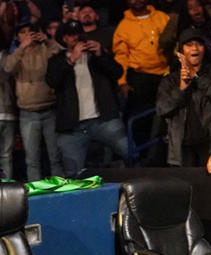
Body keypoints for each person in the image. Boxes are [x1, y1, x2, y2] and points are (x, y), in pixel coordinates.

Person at [44, 21, 128, 177]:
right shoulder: (57, 61)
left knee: (128, 151)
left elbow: (117, 72)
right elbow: (52, 81)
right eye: (71, 35)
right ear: (64, 39)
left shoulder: (96, 56)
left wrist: (101, 54)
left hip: (103, 120)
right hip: (73, 127)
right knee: (73, 173)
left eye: (78, 33)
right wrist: (71, 60)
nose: (75, 38)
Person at [3, 23, 63, 179]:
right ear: (18, 37)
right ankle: (35, 191)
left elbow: (63, 54)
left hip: (49, 109)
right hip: (27, 112)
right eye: (23, 32)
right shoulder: (17, 54)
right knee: (31, 159)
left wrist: (48, 40)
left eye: (31, 31)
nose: (28, 35)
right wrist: (22, 47)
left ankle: (61, 188)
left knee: (55, 156)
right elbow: (8, 68)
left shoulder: (46, 50)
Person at [156, 29, 211, 167]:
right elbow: (162, 108)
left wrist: (196, 77)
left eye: (199, 44)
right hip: (182, 146)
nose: (195, 48)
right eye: (189, 45)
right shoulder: (170, 80)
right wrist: (181, 88)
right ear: (180, 51)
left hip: (209, 143)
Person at [112, 0, 171, 115]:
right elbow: (121, 56)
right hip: (140, 76)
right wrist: (122, 82)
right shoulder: (123, 27)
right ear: (128, 2)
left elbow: (174, 43)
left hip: (166, 72)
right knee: (144, 116)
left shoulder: (162, 17)